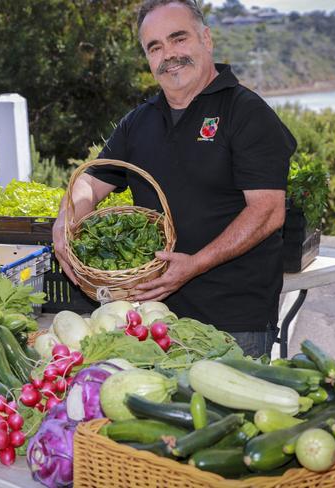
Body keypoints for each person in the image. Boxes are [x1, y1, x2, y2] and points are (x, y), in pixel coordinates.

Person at [52, 0, 297, 357]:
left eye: (178, 39)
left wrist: (194, 264)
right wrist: (65, 220)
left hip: (232, 324)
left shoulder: (247, 113)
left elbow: (268, 211)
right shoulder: (139, 122)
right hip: (151, 320)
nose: (169, 55)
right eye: (155, 47)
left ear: (206, 39)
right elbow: (90, 180)